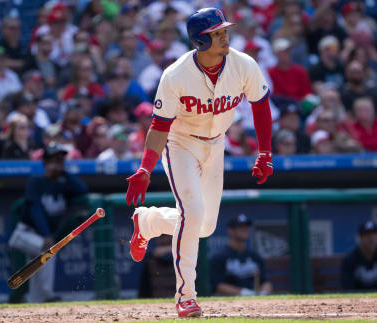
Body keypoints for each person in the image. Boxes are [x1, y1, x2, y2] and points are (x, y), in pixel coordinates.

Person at [125, 8, 273, 318]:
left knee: (204, 226)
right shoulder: (176, 75)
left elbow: (260, 107)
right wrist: (145, 168)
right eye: (217, 33)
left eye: (224, 31)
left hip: (216, 143)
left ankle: (149, 222)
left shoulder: (243, 64)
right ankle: (186, 296)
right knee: (192, 215)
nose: (224, 37)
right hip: (180, 144)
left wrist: (265, 152)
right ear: (199, 41)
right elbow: (160, 127)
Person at [9, 142, 88, 302]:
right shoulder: (36, 181)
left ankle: (36, 301)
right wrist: (46, 234)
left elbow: (82, 189)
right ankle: (47, 294)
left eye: (60, 159)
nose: (58, 162)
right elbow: (35, 209)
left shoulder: (64, 183)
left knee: (38, 262)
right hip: (24, 233)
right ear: (45, 161)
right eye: (54, 159)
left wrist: (64, 173)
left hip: (41, 238)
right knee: (47, 252)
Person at [211, 214, 273, 297]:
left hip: (255, 300)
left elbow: (266, 282)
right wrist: (244, 293)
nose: (245, 229)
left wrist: (263, 293)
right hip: (230, 301)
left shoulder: (254, 256)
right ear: (230, 231)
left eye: (246, 227)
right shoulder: (220, 257)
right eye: (240, 227)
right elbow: (218, 286)